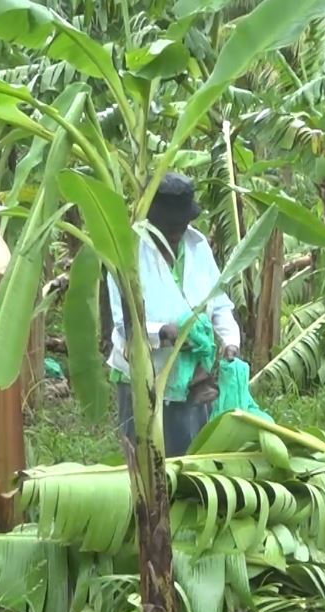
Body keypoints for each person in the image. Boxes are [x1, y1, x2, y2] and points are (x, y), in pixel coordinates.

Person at [107, 172, 241, 457]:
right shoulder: (125, 250)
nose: (176, 233)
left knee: (192, 461)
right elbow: (122, 323)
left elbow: (220, 305)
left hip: (194, 379)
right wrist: (165, 333)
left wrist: (230, 342)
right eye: (168, 226)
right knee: (150, 464)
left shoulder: (198, 246)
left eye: (180, 225)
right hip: (144, 380)